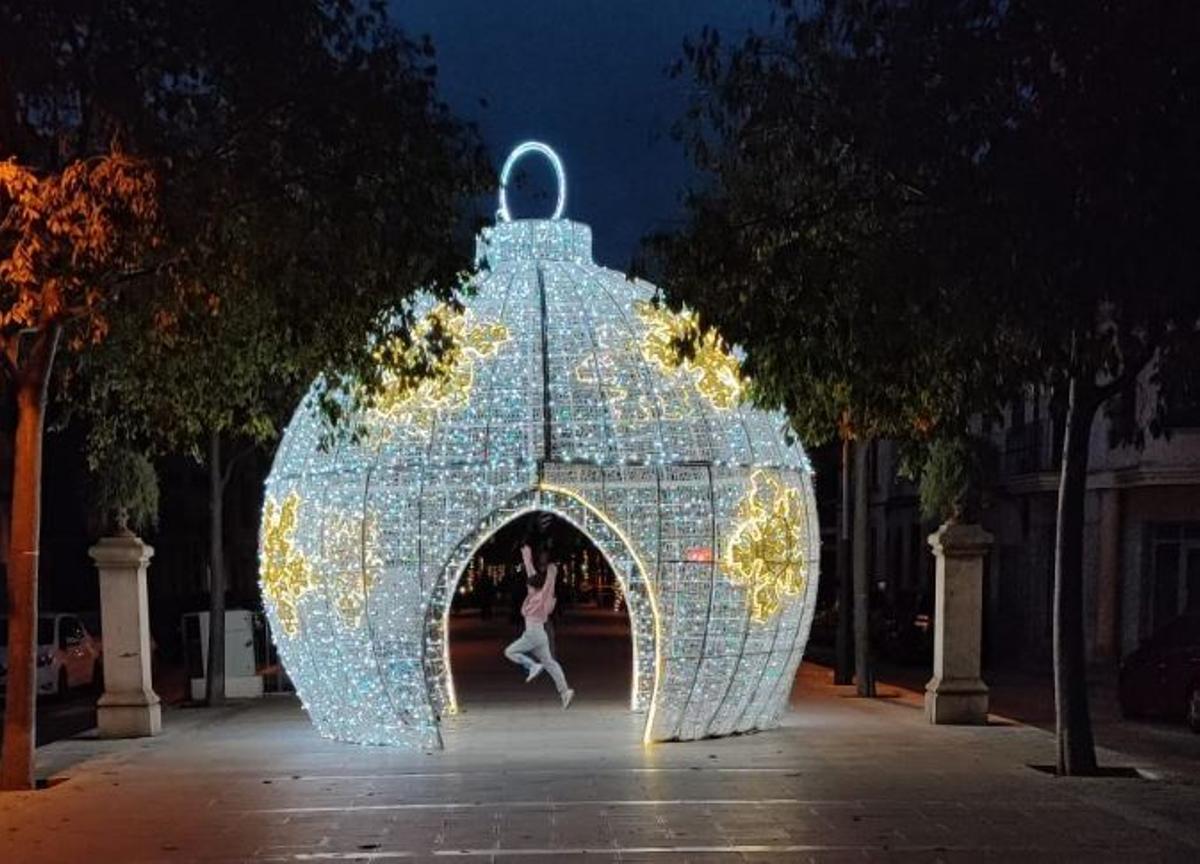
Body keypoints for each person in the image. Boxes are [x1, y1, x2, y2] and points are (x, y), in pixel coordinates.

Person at [503, 537, 575, 708]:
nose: (527, 587)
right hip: (538, 635)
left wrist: (552, 572)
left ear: (535, 587)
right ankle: (565, 691)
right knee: (550, 663)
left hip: (533, 634)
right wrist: (526, 553)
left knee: (509, 652)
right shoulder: (533, 592)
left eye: (530, 586)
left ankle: (532, 666)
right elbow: (530, 573)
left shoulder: (541, 597)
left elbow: (548, 585)